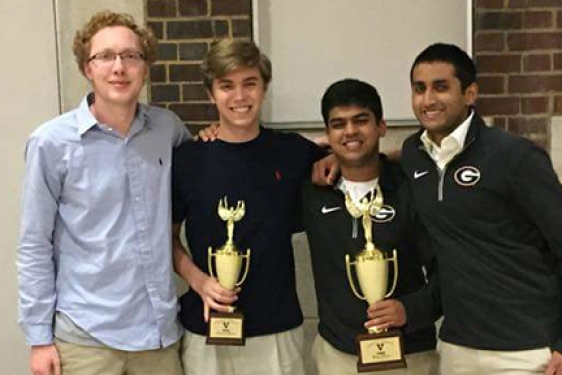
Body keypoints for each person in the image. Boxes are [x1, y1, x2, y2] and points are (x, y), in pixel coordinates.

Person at [18, 11, 190, 375]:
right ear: (87, 69)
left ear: (145, 68)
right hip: (84, 338)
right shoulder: (51, 143)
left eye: (131, 56)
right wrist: (39, 339)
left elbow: (212, 169)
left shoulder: (168, 130)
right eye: (105, 57)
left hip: (157, 337)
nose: (119, 67)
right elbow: (35, 244)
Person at [400, 43, 562, 375]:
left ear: (470, 93)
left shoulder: (515, 157)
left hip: (526, 350)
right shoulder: (414, 154)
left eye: (441, 87)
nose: (428, 100)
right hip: (458, 347)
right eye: (420, 89)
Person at [171, 39, 325, 375]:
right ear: (211, 94)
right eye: (227, 86)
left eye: (249, 84)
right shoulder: (187, 160)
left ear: (264, 88)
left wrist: (339, 162)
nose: (239, 97)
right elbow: (166, 238)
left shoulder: (293, 152)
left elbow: (359, 155)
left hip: (277, 328)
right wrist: (199, 282)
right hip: (207, 326)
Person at [302, 79, 439, 375]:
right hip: (337, 357)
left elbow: (450, 270)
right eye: (338, 124)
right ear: (328, 134)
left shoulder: (411, 189)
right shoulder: (313, 192)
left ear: (381, 126)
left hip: (410, 355)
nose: (350, 131)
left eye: (361, 120)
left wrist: (410, 310)